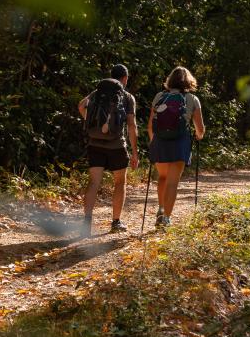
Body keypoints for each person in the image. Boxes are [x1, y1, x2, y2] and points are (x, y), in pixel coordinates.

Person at [78, 64, 139, 236]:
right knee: (120, 182)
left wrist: (91, 123)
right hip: (117, 146)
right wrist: (135, 151)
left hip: (95, 144)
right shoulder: (127, 97)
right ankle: (116, 222)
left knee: (94, 182)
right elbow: (132, 126)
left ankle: (86, 224)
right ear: (125, 78)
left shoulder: (97, 93)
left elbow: (82, 106)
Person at [148, 66, 205, 227]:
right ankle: (166, 218)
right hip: (180, 142)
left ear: (170, 80)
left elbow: (150, 125)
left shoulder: (160, 96)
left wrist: (154, 141)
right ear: (189, 81)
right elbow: (200, 128)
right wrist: (198, 136)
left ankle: (160, 209)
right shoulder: (192, 99)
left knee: (162, 177)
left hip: (160, 142)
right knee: (172, 182)